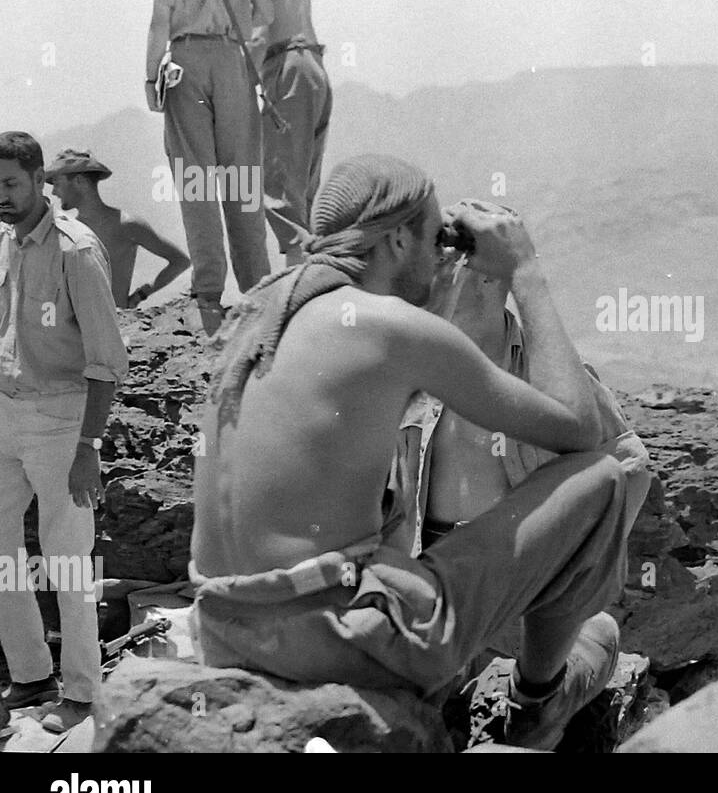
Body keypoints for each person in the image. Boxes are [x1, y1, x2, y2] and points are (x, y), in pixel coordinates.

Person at [189, 156, 638, 750]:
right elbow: (581, 429)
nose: (439, 256)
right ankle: (535, 709)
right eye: (432, 239)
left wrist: (434, 289)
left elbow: (367, 410)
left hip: (223, 629)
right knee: (601, 476)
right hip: (335, 638)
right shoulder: (391, 327)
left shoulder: (262, 314)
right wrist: (524, 269)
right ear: (398, 238)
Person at [384, 203, 650, 688]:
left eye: (443, 263)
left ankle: (528, 703)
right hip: (432, 598)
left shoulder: (550, 377)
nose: (422, 282)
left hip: (520, 602)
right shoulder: (414, 370)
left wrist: (568, 581)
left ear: (484, 279)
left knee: (597, 634)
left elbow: (629, 466)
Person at [0, 132, 129, 734]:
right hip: (4, 415)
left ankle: (81, 692)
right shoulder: (0, 244)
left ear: (37, 181)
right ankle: (30, 677)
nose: (1, 197)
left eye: (11, 184)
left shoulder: (76, 251)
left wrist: (89, 448)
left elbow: (107, 360)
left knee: (67, 559)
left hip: (62, 420)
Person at [145, 0, 273, 335]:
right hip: (234, 61)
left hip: (186, 62)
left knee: (197, 180)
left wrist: (149, 77)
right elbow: (265, 14)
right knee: (243, 178)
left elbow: (161, 20)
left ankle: (209, 297)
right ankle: (259, 290)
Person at [238, 0, 333, 267]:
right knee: (304, 180)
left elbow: (259, 38)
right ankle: (310, 266)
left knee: (278, 179)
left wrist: (237, 86)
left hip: (286, 67)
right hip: (314, 68)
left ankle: (297, 273)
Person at [45, 149, 190, 309]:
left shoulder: (126, 224)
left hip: (116, 324)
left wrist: (141, 294)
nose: (53, 191)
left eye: (57, 184)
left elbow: (180, 261)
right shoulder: (66, 232)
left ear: (80, 181)